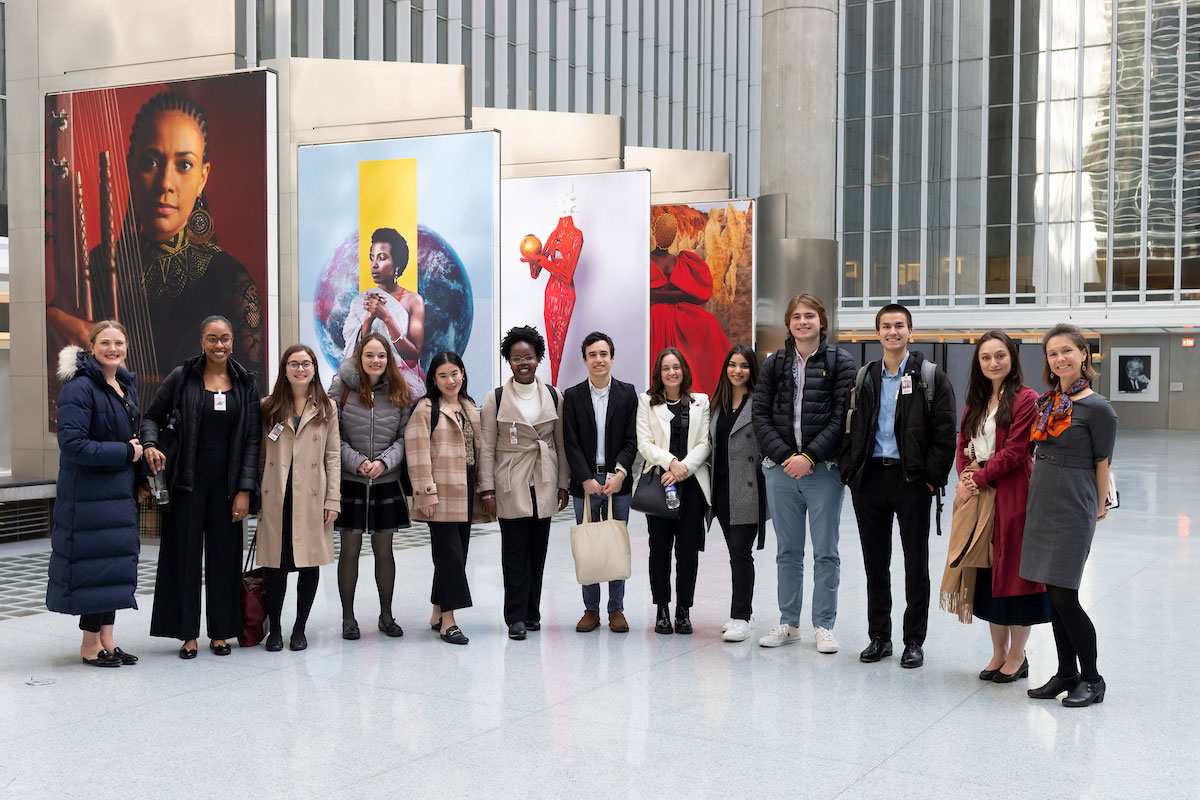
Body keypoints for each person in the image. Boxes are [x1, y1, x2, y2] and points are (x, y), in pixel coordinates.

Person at [47, 91, 264, 410]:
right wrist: (51, 321)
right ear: (130, 168)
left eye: (184, 165)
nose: (165, 182)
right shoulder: (92, 266)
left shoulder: (232, 282)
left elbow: (248, 405)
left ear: (203, 177)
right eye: (151, 161)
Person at [839, 304, 956, 669]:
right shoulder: (865, 377)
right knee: (876, 563)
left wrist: (930, 478)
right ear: (877, 333)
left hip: (912, 481)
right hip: (870, 479)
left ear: (910, 332)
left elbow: (945, 433)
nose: (893, 332)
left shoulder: (929, 377)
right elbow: (849, 428)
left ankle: (913, 640)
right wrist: (850, 470)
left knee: (915, 563)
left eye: (899, 326)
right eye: (886, 326)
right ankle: (880, 637)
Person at [143, 315, 261, 659]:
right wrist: (150, 444)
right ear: (202, 342)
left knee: (225, 559)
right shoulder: (183, 378)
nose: (219, 345)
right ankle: (187, 634)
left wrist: (244, 489)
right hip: (187, 484)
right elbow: (151, 416)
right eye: (212, 338)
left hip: (227, 488)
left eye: (224, 338)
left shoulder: (245, 383)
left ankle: (222, 632)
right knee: (184, 559)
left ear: (233, 341)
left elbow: (253, 439)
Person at [751, 293, 856, 653]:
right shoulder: (774, 363)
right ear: (788, 323)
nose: (803, 321)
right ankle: (788, 623)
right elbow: (760, 415)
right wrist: (786, 457)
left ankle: (824, 625)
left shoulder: (840, 361)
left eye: (809, 315)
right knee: (787, 552)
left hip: (823, 471)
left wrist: (809, 456)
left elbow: (843, 417)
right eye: (796, 316)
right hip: (780, 471)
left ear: (821, 321)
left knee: (826, 551)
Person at [1020, 324, 1117, 707]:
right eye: (1052, 353)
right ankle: (1066, 673)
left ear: (1083, 355)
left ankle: (1093, 680)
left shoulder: (1097, 408)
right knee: (1052, 592)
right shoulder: (1048, 403)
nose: (1059, 359)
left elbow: (1103, 461)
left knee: (1066, 594)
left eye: (1067, 351)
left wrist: (1098, 505)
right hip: (1042, 499)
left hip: (1073, 502)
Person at [944, 331, 1050, 681]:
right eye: (986, 357)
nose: (993, 363)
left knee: (1014, 576)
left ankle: (1018, 656)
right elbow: (962, 444)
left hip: (1013, 495)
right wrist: (963, 476)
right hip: (978, 496)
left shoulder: (1025, 398)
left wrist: (976, 479)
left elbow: (1017, 451)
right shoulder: (976, 400)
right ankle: (998, 652)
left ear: (1012, 358)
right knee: (987, 573)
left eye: (1000, 355)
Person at [47, 322, 146, 667]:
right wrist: (125, 453)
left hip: (117, 494)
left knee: (113, 567)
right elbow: (72, 445)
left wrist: (139, 474)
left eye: (119, 342)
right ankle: (90, 645)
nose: (113, 348)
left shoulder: (123, 385)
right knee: (95, 568)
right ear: (91, 346)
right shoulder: (80, 387)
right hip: (88, 497)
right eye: (105, 342)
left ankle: (107, 639)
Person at [480, 326, 570, 640]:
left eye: (528, 357)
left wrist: (563, 484)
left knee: (538, 551)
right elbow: (487, 447)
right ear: (509, 361)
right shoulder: (497, 397)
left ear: (538, 359)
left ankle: (533, 613)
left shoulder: (555, 395)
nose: (523, 363)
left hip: (543, 479)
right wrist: (486, 488)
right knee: (514, 552)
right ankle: (515, 616)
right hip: (510, 481)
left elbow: (560, 444)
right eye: (516, 358)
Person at [257, 345, 341, 652]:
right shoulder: (268, 406)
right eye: (294, 363)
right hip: (277, 494)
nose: (301, 369)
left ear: (315, 369)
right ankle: (275, 629)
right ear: (285, 369)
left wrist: (333, 499)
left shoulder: (326, 407)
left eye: (306, 364)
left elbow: (333, 456)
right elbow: (260, 454)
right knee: (275, 565)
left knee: (309, 563)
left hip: (312, 497)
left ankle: (300, 628)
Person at [330, 332, 413, 641]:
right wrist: (358, 461)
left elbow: (406, 436)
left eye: (381, 356)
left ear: (388, 359)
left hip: (385, 481)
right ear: (359, 357)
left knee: (384, 550)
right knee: (349, 549)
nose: (375, 361)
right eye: (369, 355)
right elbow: (331, 434)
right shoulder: (342, 387)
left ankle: (387, 615)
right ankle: (348, 618)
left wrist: (385, 462)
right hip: (351, 481)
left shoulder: (400, 389)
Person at [406, 351, 490, 645]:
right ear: (433, 379)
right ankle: (449, 622)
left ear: (463, 374)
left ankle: (437, 611)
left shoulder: (470, 407)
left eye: (454, 373)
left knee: (456, 555)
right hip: (439, 494)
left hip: (466, 491)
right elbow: (416, 455)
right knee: (450, 555)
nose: (450, 380)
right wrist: (425, 493)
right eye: (443, 375)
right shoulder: (426, 409)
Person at [562, 331, 638, 633]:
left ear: (612, 357)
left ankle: (616, 609)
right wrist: (585, 479)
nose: (598, 359)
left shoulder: (628, 393)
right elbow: (571, 442)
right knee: (590, 547)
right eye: (592, 354)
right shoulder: (573, 395)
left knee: (615, 544)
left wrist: (620, 473)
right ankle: (590, 609)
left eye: (603, 354)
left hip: (618, 481)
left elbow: (633, 438)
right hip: (586, 482)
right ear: (584, 360)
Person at [636, 347, 712, 635]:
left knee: (688, 551)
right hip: (660, 482)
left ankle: (683, 610)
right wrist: (670, 463)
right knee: (659, 550)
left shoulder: (700, 401)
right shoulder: (647, 402)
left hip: (690, 485)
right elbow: (644, 443)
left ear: (684, 370)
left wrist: (683, 469)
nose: (672, 372)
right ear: (659, 373)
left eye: (676, 367)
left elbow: (705, 443)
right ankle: (662, 610)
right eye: (666, 368)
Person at [707, 345, 768, 643]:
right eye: (732, 364)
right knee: (734, 553)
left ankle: (741, 616)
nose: (737, 370)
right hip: (720, 491)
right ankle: (745, 612)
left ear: (752, 370)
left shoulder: (759, 405)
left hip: (748, 490)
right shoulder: (716, 404)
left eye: (744, 365)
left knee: (741, 554)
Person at [649, 212, 732, 395]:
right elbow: (643, 293)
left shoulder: (682, 260)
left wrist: (658, 295)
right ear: (655, 232)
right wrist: (673, 294)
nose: (666, 235)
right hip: (653, 317)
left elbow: (694, 293)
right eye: (663, 231)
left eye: (669, 232)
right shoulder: (644, 261)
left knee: (708, 322)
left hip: (678, 314)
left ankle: (713, 388)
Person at [341, 227, 427, 400]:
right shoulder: (362, 301)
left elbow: (413, 353)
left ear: (397, 264)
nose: (374, 264)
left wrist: (387, 317)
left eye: (382, 258)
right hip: (367, 381)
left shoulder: (413, 300)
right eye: (372, 258)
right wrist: (368, 319)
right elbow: (357, 349)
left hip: (403, 384)